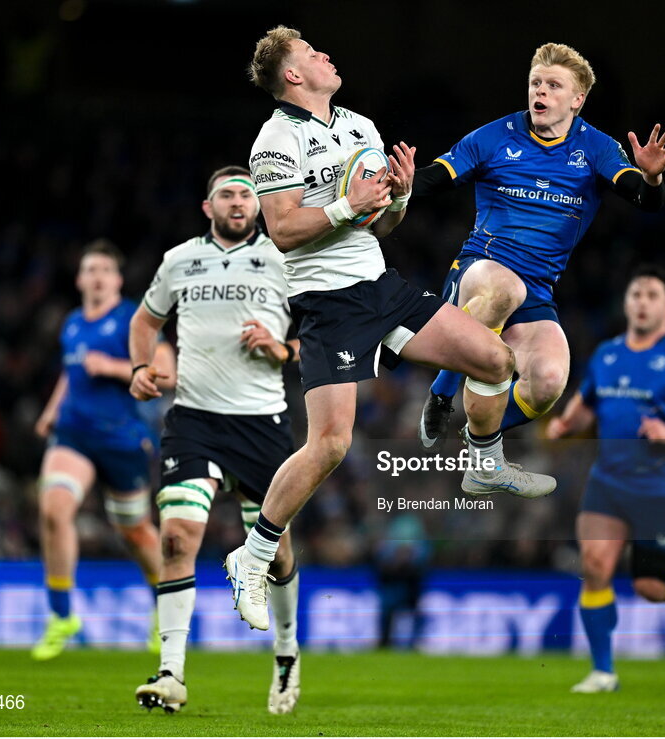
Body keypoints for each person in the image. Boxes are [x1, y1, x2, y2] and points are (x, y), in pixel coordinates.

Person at [225, 26, 557, 632]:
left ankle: (483, 459)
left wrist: (397, 199)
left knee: (494, 360)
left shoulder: (360, 126)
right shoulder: (275, 137)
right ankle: (251, 556)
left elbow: (378, 227)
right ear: (293, 76)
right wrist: (349, 204)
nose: (327, 53)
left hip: (381, 287)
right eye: (312, 53)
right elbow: (281, 229)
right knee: (330, 444)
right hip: (327, 305)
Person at [415, 42, 665, 452]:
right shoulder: (494, 137)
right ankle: (441, 393)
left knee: (550, 382)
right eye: (535, 83)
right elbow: (435, 177)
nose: (540, 91)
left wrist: (651, 179)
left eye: (554, 85)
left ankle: (480, 434)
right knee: (505, 291)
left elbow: (645, 201)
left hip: (537, 288)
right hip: (479, 270)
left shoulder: (596, 148)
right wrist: (396, 186)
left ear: (577, 99)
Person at [129, 168, 302, 715]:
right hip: (194, 421)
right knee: (178, 538)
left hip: (261, 423)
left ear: (259, 204)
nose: (238, 201)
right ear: (208, 207)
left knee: (275, 557)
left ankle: (286, 650)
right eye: (227, 193)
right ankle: (171, 674)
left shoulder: (284, 260)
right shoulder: (180, 259)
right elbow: (145, 320)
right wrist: (140, 365)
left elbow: (322, 331)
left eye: (247, 193)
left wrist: (283, 349)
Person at [546, 265, 665, 693]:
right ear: (626, 304)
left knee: (650, 586)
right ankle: (603, 671)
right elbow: (588, 401)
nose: (642, 302)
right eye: (636, 294)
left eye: (651, 295)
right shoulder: (607, 354)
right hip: (608, 482)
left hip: (661, 484)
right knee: (594, 565)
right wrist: (566, 424)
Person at [31, 239, 176, 661]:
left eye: (104, 270)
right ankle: (61, 617)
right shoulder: (73, 323)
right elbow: (72, 372)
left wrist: (114, 368)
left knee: (134, 532)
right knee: (53, 510)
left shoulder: (132, 318)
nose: (96, 277)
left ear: (116, 279)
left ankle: (163, 605)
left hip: (123, 438)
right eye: (89, 269)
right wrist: (51, 411)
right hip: (74, 433)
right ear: (79, 279)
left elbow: (169, 371)